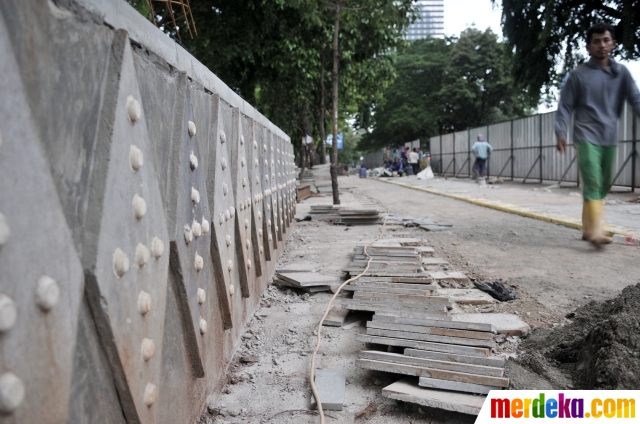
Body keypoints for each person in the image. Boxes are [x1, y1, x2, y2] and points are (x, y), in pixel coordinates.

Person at [555, 22, 640, 247]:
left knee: (603, 184)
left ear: (613, 43)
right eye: (596, 41)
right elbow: (564, 106)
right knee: (592, 180)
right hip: (585, 135)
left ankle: (587, 228)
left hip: (610, 136)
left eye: (605, 40)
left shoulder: (621, 73)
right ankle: (595, 231)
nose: (601, 45)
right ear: (588, 46)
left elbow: (636, 99)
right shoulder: (577, 75)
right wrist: (561, 132)